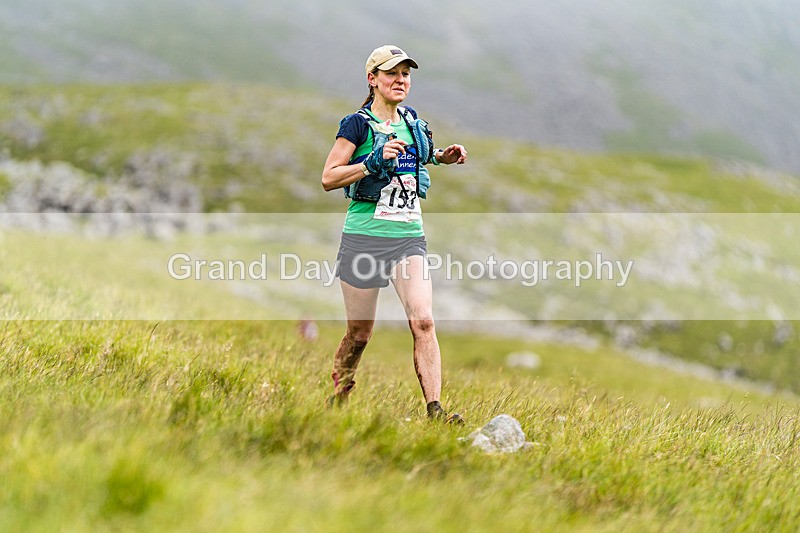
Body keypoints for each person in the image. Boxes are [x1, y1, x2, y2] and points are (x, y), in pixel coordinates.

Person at [321, 45, 468, 423]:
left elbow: (416, 155)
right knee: (359, 333)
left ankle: (435, 412)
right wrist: (371, 162)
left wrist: (441, 157)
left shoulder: (412, 120)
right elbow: (329, 177)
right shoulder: (357, 124)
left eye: (406, 74)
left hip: (407, 236)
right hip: (364, 238)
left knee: (423, 321)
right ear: (372, 80)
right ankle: (338, 399)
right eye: (392, 73)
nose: (401, 80)